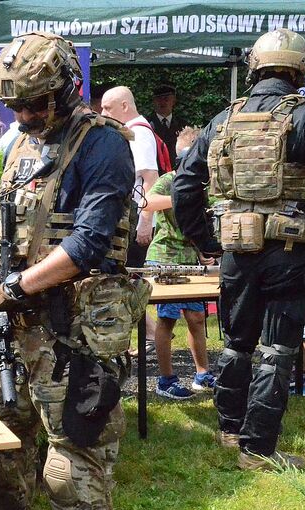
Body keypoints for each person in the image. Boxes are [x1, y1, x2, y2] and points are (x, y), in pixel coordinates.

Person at [0, 31, 135, 510]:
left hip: (74, 339)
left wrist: (15, 288)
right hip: (10, 334)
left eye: (33, 103)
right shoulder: (21, 144)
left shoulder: (104, 146)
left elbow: (89, 242)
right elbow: (4, 227)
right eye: (13, 105)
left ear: (67, 89)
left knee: (72, 475)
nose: (22, 115)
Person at [172, 28, 305, 470]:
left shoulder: (222, 120)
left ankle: (230, 429)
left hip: (238, 248)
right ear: (302, 69)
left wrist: (207, 239)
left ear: (254, 66)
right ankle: (257, 450)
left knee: (237, 343)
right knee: (276, 349)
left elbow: (184, 184)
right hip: (292, 250)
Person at [142, 126, 215, 400]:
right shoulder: (170, 180)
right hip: (164, 259)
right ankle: (166, 379)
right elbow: (147, 202)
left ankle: (202, 374)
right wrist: (180, 197)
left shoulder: (203, 184)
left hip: (189, 259)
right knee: (167, 320)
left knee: (196, 318)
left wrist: (204, 248)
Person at [100, 85, 157, 352]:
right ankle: (151, 336)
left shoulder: (139, 133)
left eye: (107, 108)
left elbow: (150, 179)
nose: (102, 113)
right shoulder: (133, 130)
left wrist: (146, 221)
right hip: (131, 218)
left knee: (128, 279)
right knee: (126, 278)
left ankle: (150, 337)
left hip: (136, 220)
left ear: (124, 106)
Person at [147, 84, 186, 165]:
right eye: (158, 99)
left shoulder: (183, 125)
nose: (162, 102)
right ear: (154, 101)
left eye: (166, 99)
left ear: (173, 100)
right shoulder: (147, 125)